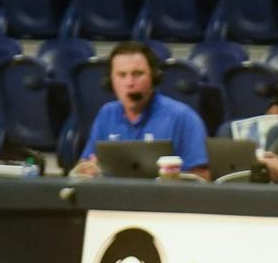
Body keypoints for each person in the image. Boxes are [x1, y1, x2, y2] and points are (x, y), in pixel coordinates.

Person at [72, 41, 212, 180]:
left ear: (154, 77)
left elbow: (202, 177)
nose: (130, 83)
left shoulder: (183, 117)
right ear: (110, 81)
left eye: (137, 74)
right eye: (122, 75)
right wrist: (87, 169)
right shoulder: (107, 114)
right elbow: (84, 165)